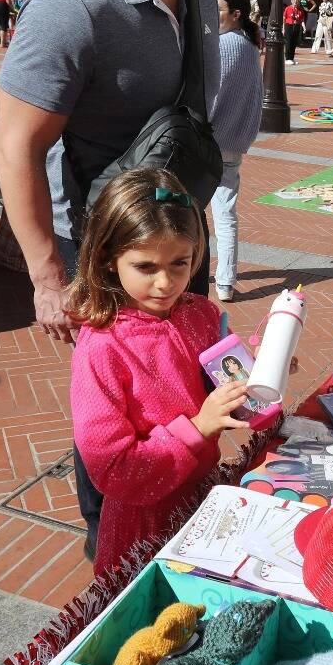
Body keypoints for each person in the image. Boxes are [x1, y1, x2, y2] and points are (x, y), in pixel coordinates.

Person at [0, 0, 225, 556]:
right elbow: (16, 147)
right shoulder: (73, 8)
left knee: (186, 408)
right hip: (102, 262)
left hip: (179, 245)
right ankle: (112, 570)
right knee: (116, 439)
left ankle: (184, 546)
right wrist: (45, 277)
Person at [68, 166, 248, 575]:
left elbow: (228, 380)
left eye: (179, 264)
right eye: (146, 267)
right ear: (108, 260)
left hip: (201, 498)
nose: (165, 283)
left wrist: (261, 367)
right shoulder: (103, 347)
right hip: (141, 526)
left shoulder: (200, 314)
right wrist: (198, 427)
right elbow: (113, 469)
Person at [208, 0, 262, 303]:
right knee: (226, 214)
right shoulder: (249, 46)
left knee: (187, 211)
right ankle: (225, 282)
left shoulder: (224, 45)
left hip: (211, 141)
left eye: (219, 10)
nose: (214, 15)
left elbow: (210, 96)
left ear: (236, 14)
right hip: (234, 143)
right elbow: (255, 99)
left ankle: (190, 272)